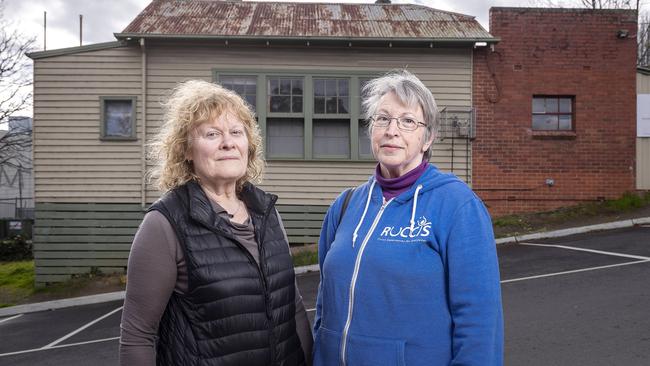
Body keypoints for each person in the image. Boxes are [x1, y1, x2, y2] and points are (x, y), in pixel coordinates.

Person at [312, 70, 503, 366]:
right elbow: (325, 303)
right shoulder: (345, 205)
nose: (392, 130)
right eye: (383, 119)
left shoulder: (457, 206)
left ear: (427, 139)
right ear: (371, 130)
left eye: (408, 121)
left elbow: (480, 323)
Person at [119, 80, 312, 366]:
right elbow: (138, 335)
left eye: (237, 132)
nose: (228, 142)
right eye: (212, 133)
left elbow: (292, 307)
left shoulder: (267, 212)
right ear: (186, 150)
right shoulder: (164, 224)